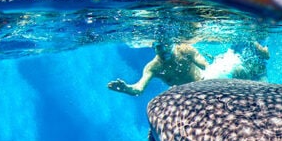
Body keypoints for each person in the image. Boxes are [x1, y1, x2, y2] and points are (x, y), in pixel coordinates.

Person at [108, 39, 270, 96]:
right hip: (188, 97)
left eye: (166, 46)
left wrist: (219, 73)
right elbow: (139, 88)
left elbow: (204, 65)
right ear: (154, 47)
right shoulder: (153, 67)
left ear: (172, 44)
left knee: (232, 65)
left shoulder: (184, 49)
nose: (163, 50)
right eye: (159, 47)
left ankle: (256, 59)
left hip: (206, 81)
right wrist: (127, 89)